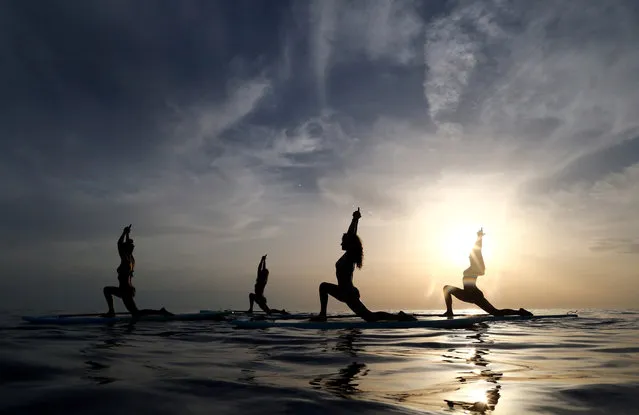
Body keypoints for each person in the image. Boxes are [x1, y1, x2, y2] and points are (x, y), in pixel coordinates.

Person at [310, 208, 416, 322]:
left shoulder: (350, 256)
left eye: (343, 241)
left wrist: (355, 219)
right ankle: (322, 315)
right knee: (323, 286)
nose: (341, 243)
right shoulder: (346, 256)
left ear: (349, 243)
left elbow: (351, 235)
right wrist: (355, 220)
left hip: (348, 294)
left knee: (371, 318)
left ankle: (400, 317)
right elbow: (351, 236)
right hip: (342, 291)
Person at [442, 228, 533, 318]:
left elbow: (477, 251)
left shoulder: (475, 268)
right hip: (467, 294)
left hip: (474, 295)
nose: (469, 256)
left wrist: (479, 237)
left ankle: (520, 312)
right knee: (446, 288)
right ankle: (449, 311)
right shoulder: (471, 268)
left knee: (496, 313)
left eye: (470, 256)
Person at [102, 224, 173, 318]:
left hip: (125, 290)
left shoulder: (126, 259)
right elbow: (126, 245)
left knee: (136, 313)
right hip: (126, 289)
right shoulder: (131, 259)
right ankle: (111, 311)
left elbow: (119, 244)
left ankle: (160, 312)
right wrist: (127, 234)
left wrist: (124, 233)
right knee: (107, 290)